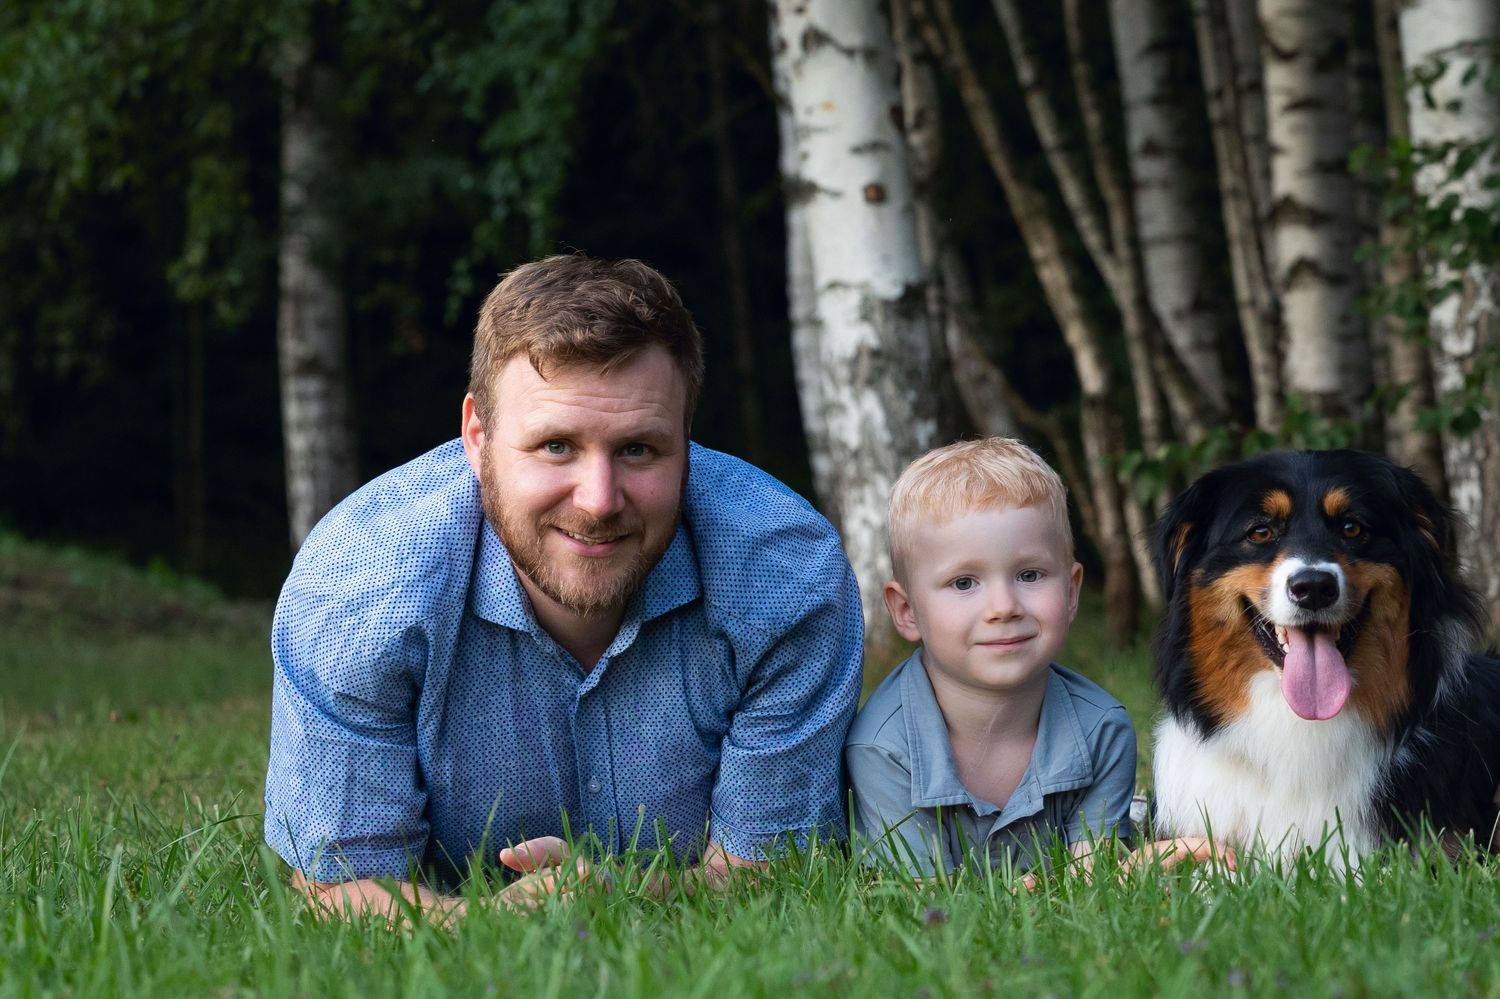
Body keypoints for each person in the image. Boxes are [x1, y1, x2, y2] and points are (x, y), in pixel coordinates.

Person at [264, 254, 863, 917]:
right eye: (556, 446)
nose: (599, 500)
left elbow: (771, 875)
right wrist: (483, 927)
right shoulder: (359, 586)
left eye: (638, 449)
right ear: (477, 437)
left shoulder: (784, 577)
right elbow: (337, 881)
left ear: (686, 440)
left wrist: (621, 898)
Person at [844, 437, 1137, 877]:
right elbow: (923, 902)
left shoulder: (1102, 730)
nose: (1003, 607)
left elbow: (1093, 882)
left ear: (1071, 591)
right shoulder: (883, 748)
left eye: (1029, 575)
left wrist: (1133, 868)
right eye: (964, 583)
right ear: (907, 611)